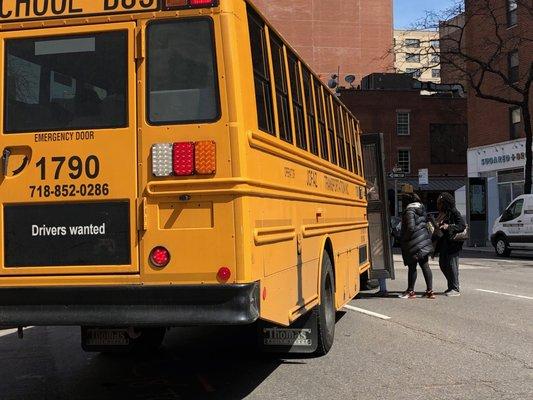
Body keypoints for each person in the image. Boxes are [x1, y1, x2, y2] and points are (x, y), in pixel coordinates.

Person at [399, 193, 435, 299]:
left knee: (412, 266)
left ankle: (410, 291)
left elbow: (410, 228)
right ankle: (430, 291)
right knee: (425, 265)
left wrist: (405, 238)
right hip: (423, 240)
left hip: (414, 242)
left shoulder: (409, 211)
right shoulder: (422, 209)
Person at [434, 192, 466, 296]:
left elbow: (462, 225)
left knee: (452, 265)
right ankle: (451, 286)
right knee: (443, 264)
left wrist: (449, 227)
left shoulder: (454, 212)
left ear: (446, 203)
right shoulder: (443, 213)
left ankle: (455, 288)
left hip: (453, 243)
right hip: (444, 242)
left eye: (440, 203)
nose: (438, 205)